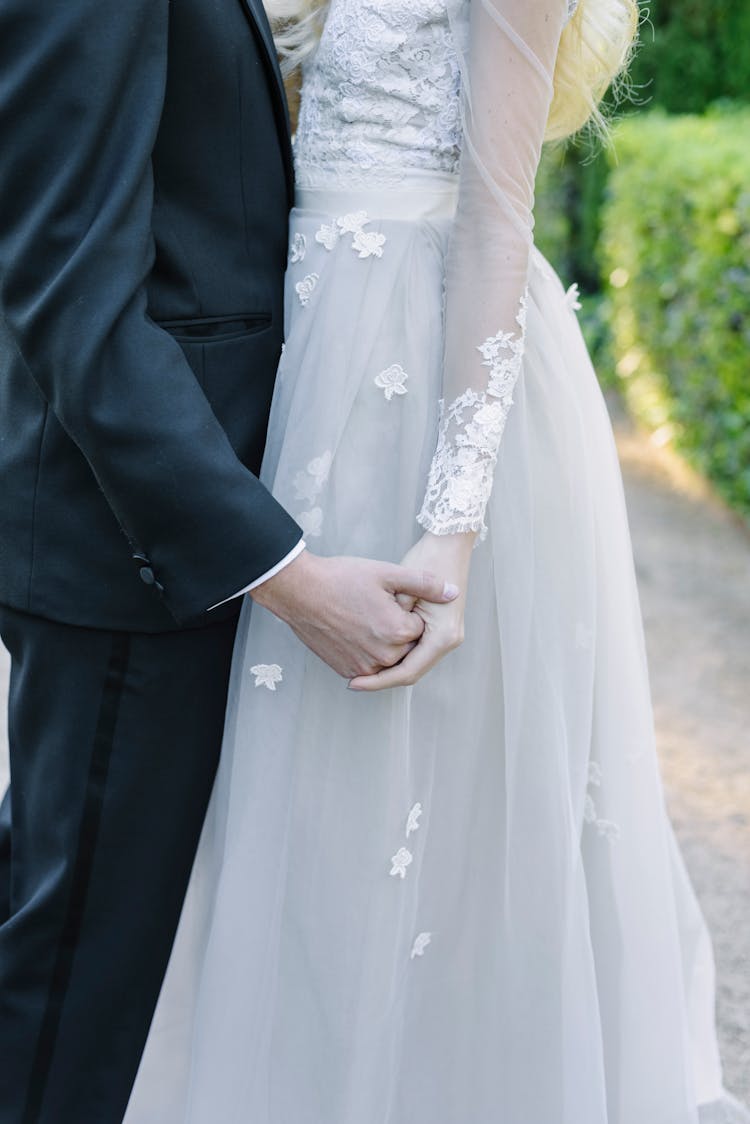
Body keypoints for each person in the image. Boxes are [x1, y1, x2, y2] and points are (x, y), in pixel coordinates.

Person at [123, 1, 750, 1122]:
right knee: (287, 781)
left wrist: (450, 522)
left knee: (417, 779)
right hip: (308, 345)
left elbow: (495, 222)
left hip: (419, 367)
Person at [0, 2, 459, 1120]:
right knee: (69, 990)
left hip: (180, 511)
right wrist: (287, 574)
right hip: (126, 550)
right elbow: (74, 296)